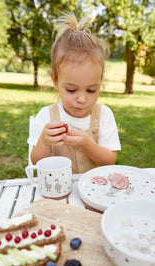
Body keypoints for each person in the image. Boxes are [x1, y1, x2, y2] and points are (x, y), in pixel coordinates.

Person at [28, 11, 121, 174]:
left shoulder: (103, 115)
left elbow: (109, 161)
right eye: (71, 90)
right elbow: (36, 162)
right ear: (55, 80)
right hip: (57, 190)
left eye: (92, 90)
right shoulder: (47, 116)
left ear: (101, 83)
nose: (82, 99)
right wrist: (43, 141)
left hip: (93, 189)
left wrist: (87, 143)